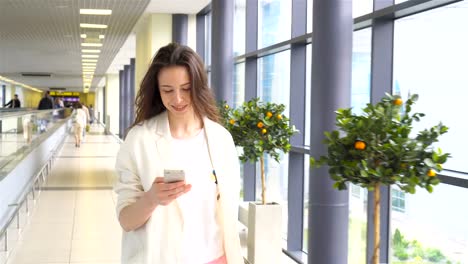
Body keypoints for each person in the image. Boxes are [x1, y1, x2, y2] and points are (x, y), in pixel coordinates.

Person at [114, 43, 243, 264]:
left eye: (186, 89)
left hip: (216, 258)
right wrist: (152, 198)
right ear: (157, 90)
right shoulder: (139, 139)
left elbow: (228, 212)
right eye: (167, 90)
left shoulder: (221, 139)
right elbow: (126, 221)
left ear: (198, 87)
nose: (178, 99)